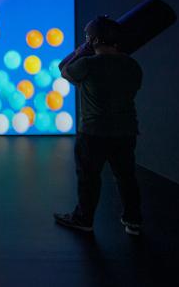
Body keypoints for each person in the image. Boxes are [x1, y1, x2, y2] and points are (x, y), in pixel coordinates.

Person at [54, 16, 143, 236]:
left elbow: (64, 70)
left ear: (93, 40)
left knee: (88, 177)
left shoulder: (86, 64)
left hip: (93, 132)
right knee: (126, 177)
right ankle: (134, 220)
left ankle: (84, 219)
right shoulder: (132, 65)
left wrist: (79, 51)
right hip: (126, 131)